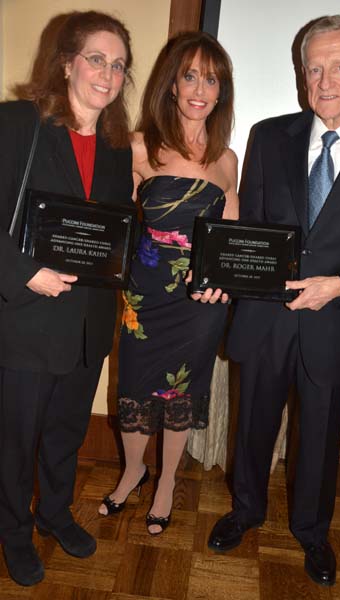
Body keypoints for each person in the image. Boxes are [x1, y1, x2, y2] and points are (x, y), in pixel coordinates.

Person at [207, 15, 340, 587]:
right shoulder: (269, 136)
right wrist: (222, 270)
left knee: (319, 438)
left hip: (336, 324)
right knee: (251, 428)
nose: (324, 81)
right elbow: (253, 234)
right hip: (264, 319)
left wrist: (338, 285)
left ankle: (313, 534)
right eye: (313, 68)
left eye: (339, 66)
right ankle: (245, 511)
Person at [0, 10, 134, 586]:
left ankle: (53, 514)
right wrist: (25, 272)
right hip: (27, 317)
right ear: (67, 62)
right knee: (14, 439)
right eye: (97, 59)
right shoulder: (16, 125)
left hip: (86, 325)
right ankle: (12, 531)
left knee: (66, 431)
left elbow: (112, 233)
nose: (108, 74)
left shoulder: (115, 146)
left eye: (120, 65)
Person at [98, 31, 238, 535]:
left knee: (180, 396)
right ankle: (134, 471)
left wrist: (225, 283)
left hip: (199, 305)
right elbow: (112, 222)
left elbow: (230, 238)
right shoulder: (140, 146)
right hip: (145, 299)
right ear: (173, 85)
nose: (201, 88)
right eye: (190, 75)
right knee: (135, 391)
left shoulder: (227, 160)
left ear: (222, 92)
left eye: (213, 79)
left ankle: (165, 483)